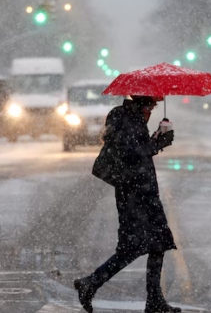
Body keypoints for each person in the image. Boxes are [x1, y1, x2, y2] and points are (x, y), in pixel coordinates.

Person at [74, 95, 180, 313]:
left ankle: (154, 300)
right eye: (152, 104)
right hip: (135, 193)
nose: (153, 108)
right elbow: (132, 154)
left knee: (156, 243)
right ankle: (91, 283)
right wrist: (158, 143)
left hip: (141, 191)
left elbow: (135, 148)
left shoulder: (127, 116)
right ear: (143, 102)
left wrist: (155, 138)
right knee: (134, 246)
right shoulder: (127, 118)